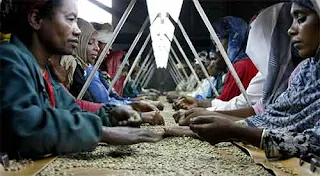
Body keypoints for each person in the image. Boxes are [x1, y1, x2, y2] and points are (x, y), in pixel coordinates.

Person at [0, 0, 163, 159]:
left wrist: (109, 115)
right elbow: (25, 125)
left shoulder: (44, 72)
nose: (77, 31)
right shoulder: (9, 60)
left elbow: (71, 109)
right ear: (36, 19)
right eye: (70, 19)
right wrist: (101, 132)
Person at [188, 0, 320, 159]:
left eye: (301, 19)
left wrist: (232, 129)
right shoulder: (307, 70)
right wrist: (210, 119)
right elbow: (269, 117)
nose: (290, 30)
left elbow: (312, 142)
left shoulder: (243, 67)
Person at [173, 16, 258, 110]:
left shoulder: (241, 66)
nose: (217, 49)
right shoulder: (246, 64)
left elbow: (227, 105)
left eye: (219, 40)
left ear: (234, 38)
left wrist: (200, 109)